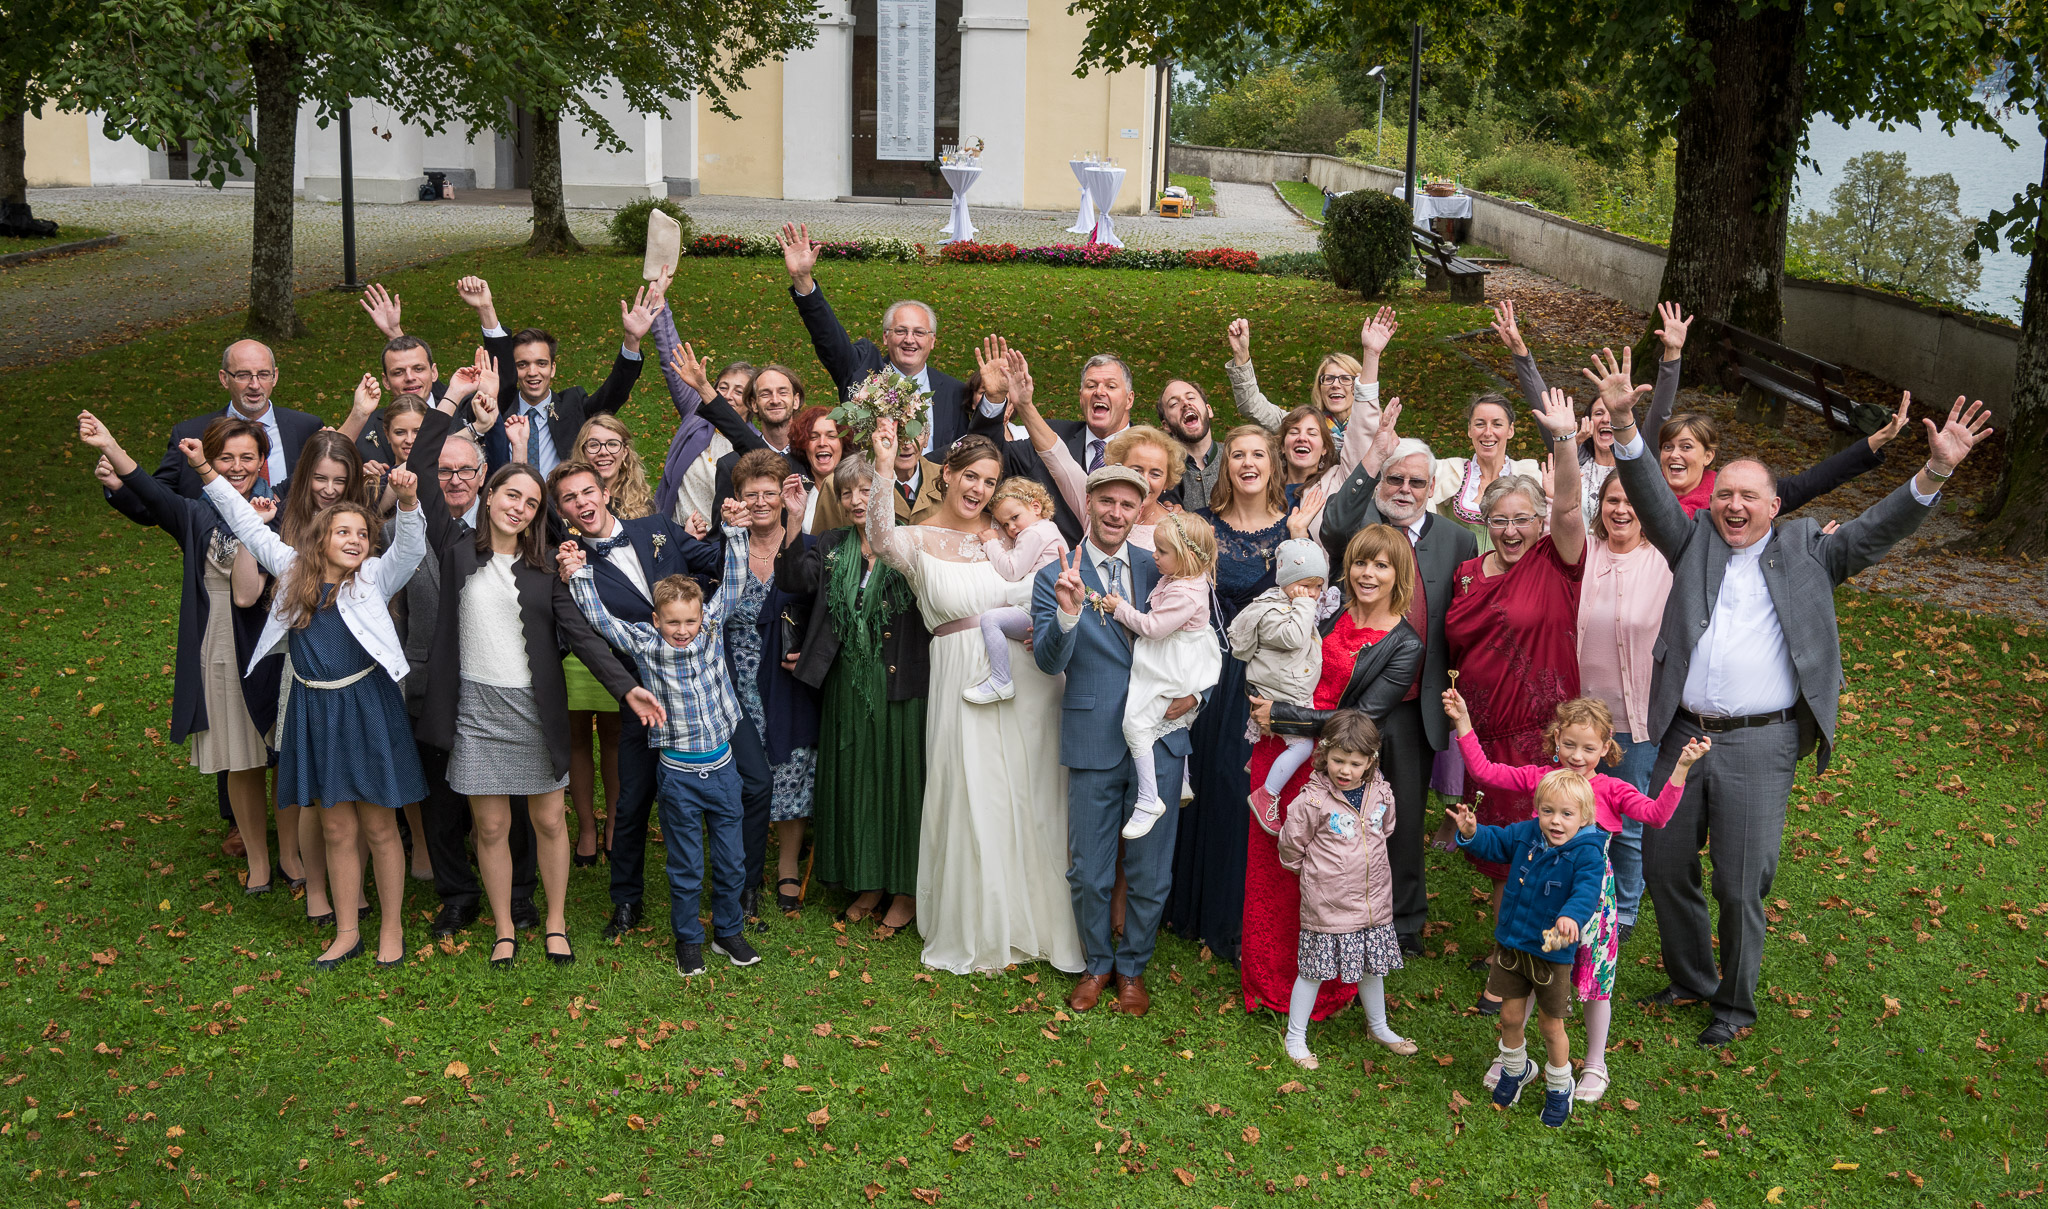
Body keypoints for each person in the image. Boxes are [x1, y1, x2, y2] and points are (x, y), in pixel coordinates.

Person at [1607, 385, 1993, 1047]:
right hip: (1682, 735)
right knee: (1667, 864)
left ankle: (1733, 1004)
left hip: (1761, 742)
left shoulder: (1811, 551)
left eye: (1748, 497)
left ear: (1774, 505)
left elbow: (1878, 529)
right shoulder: (1691, 541)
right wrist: (1621, 424)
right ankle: (1690, 976)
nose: (1733, 505)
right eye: (1724, 494)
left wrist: (1935, 469)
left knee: (1739, 880)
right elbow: (1647, 490)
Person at [412, 412, 665, 969]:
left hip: (533, 710)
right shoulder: (457, 552)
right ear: (488, 491)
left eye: (530, 503)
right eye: (511, 495)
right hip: (475, 710)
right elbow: (425, 465)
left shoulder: (547, 567)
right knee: (492, 824)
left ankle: (554, 921)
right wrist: (452, 401)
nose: (519, 508)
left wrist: (626, 690)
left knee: (551, 821)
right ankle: (504, 928)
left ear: (536, 515)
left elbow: (582, 635)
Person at [194, 443, 430, 970]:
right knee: (336, 826)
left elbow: (409, 551)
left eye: (362, 534)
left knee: (379, 825)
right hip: (314, 709)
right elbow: (246, 525)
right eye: (342, 531)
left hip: (367, 706)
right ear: (320, 538)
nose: (354, 540)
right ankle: (347, 930)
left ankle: (391, 926)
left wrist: (409, 504)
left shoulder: (373, 579)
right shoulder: (294, 570)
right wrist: (207, 471)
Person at [868, 422, 1081, 977]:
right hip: (962, 674)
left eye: (989, 481)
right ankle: (980, 924)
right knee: (974, 791)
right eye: (970, 476)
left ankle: (1036, 923)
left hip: (1031, 676)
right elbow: (879, 538)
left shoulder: (1009, 534)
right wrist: (885, 465)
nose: (980, 490)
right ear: (949, 477)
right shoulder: (915, 539)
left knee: (1033, 796)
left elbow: (1047, 577)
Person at [1446, 692, 1710, 1102]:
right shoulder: (1542, 779)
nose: (1577, 755)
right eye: (1568, 744)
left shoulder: (1612, 789)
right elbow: (1485, 771)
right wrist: (1463, 720)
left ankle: (1595, 1062)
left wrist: (1681, 769)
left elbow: (1657, 815)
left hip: (1591, 901)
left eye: (1589, 747)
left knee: (1593, 980)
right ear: (1556, 741)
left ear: (1606, 747)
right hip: (1539, 897)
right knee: (1531, 969)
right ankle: (1513, 1057)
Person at [82, 412, 284, 897]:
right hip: (220, 643)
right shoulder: (194, 514)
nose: (237, 467)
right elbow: (150, 492)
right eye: (225, 458)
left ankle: (294, 854)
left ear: (262, 464)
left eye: (246, 458)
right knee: (242, 759)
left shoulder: (283, 507)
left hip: (276, 639)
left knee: (287, 753)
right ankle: (259, 860)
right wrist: (109, 443)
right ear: (208, 462)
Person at [1442, 388, 1587, 1012]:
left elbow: (1574, 507)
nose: (1510, 530)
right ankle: (1511, 952)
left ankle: (1535, 958)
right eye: (1500, 519)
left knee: (1543, 846)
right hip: (1485, 734)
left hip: (1540, 732)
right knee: (1505, 852)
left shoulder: (1558, 560)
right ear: (1485, 523)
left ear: (1539, 523)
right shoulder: (1470, 575)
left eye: (1522, 519)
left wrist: (1562, 441)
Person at [1032, 465, 1196, 1013]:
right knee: (1090, 868)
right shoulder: (1057, 573)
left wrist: (1197, 698)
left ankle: (1133, 969)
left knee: (1151, 869)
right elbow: (1048, 660)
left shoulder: (1166, 568)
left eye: (1128, 504)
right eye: (1106, 501)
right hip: (1093, 735)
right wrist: (1068, 614)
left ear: (1139, 511)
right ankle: (1097, 963)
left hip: (1164, 739)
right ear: (1089, 504)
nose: (1115, 513)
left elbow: (1205, 644)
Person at [559, 539, 762, 976]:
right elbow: (602, 622)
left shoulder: (710, 630)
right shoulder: (646, 644)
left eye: (690, 619)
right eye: (673, 622)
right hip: (679, 776)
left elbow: (734, 582)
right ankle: (688, 940)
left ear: (701, 616)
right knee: (686, 865)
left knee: (731, 861)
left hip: (724, 771)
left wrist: (735, 533)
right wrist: (578, 574)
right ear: (656, 620)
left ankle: (728, 931)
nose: (684, 629)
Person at [1245, 524, 1422, 1019]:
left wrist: (1282, 714)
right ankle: (1267, 977)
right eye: (1362, 562)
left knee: (1325, 881)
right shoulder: (1326, 610)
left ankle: (1325, 988)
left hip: (1338, 770)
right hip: (1280, 755)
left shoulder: (1403, 645)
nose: (1368, 573)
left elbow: (1363, 718)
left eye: (1381, 565)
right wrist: (1266, 703)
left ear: (1398, 574)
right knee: (1274, 869)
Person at [1318, 408, 1479, 954]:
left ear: (1432, 488)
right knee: (1343, 808)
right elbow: (1332, 525)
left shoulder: (1458, 540)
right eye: (1395, 478)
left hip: (1414, 708)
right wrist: (1371, 455)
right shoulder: (1361, 527)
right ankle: (1344, 915)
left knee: (1404, 819)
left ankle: (1406, 923)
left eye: (1415, 481)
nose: (1404, 489)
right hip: (1352, 697)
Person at [550, 458, 726, 938]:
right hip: (644, 703)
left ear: (605, 492)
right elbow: (592, 632)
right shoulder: (573, 566)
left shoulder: (655, 528)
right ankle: (626, 900)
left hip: (705, 696)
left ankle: (737, 894)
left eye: (588, 492)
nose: (582, 503)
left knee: (741, 785)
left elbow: (713, 564)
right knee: (630, 804)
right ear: (563, 510)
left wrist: (739, 535)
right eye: (570, 498)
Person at [389, 394, 543, 940]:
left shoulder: (508, 529)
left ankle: (520, 893)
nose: (454, 480)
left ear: (483, 476)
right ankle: (457, 895)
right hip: (429, 678)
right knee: (442, 797)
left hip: (500, 683)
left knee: (512, 794)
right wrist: (449, 399)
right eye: (444, 471)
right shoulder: (413, 524)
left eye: (465, 471)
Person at [778, 455, 930, 938]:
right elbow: (792, 581)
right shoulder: (830, 544)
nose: (855, 500)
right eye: (846, 493)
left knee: (899, 783)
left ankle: (904, 890)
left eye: (865, 490)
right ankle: (867, 883)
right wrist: (795, 520)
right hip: (845, 684)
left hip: (901, 682)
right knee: (856, 778)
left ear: (884, 492)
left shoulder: (912, 541)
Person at [1164, 425, 1294, 965]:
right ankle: (1196, 907)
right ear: (1224, 466)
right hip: (1210, 671)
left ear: (1272, 465)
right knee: (1210, 782)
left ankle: (1245, 916)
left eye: (1258, 454)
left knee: (1252, 787)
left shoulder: (1294, 530)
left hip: (1265, 680)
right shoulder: (1206, 530)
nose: (1247, 462)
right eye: (1237, 454)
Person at [1446, 769, 1608, 1127]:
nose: (1555, 821)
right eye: (1548, 811)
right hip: (1512, 945)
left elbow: (1585, 892)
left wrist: (1570, 917)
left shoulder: (1588, 854)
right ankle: (1516, 1070)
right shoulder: (1526, 834)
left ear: (1584, 817)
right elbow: (1497, 842)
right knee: (1509, 1017)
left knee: (1551, 1027)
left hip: (1552, 954)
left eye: (1567, 814)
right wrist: (1471, 832)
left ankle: (1559, 1086)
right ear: (1537, 810)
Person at [1276, 711, 1417, 1070]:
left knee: (1373, 966)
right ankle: (1295, 1036)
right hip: (1328, 904)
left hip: (1373, 902)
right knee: (1313, 970)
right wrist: (1314, 876)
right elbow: (1292, 845)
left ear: (1370, 761)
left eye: (1355, 763)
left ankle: (1379, 1027)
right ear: (1324, 754)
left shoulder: (1381, 791)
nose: (1345, 770)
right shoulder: (1313, 800)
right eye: (1338, 760)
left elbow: (1386, 828)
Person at [1574, 470, 1673, 941]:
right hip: (1580, 719)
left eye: (1631, 501)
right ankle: (1579, 897)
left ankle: (1626, 912)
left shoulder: (1665, 562)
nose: (1621, 509)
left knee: (1628, 823)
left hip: (1635, 719)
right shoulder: (1586, 554)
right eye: (1612, 499)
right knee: (1574, 814)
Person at [559, 410, 662, 867]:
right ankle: (585, 825)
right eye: (593, 444)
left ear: (625, 450)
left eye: (611, 443)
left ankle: (619, 822)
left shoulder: (644, 502)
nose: (602, 452)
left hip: (628, 642)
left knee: (620, 732)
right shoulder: (564, 499)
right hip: (579, 634)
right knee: (578, 733)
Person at [721, 453, 821, 915]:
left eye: (770, 492)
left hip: (787, 678)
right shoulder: (725, 547)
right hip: (733, 676)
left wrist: (813, 652)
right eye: (751, 493)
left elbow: (825, 610)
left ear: (786, 496)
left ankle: (785, 867)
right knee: (746, 773)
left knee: (793, 766)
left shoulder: (808, 545)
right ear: (738, 498)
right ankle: (744, 866)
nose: (760, 501)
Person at [778, 222, 973, 451]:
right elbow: (827, 337)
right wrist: (803, 280)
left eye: (919, 333)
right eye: (900, 331)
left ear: (932, 341)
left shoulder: (954, 392)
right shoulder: (860, 369)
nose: (909, 340)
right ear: (885, 337)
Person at [1493, 301, 1687, 523]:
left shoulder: (1641, 459)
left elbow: (1662, 411)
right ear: (1587, 422)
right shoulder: (1572, 457)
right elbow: (1544, 406)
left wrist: (1672, 352)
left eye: (1613, 413)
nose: (1606, 419)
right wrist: (1520, 351)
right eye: (1598, 414)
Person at [459, 274, 650, 476]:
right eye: (523, 364)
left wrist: (632, 339)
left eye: (541, 363)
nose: (533, 372)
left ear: (553, 368)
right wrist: (485, 309)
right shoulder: (499, 406)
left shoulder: (573, 405)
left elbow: (614, 392)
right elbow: (501, 378)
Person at [1105, 510, 1220, 841]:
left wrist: (1121, 609)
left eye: (1162, 551)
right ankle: (1174, 781)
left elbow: (1153, 628)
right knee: (1160, 720)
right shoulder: (1183, 578)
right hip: (1177, 653)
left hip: (1172, 660)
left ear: (1184, 557)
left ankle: (1148, 798)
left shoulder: (1185, 593)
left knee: (1135, 724)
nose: (1153, 555)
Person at [122, 338, 324, 509]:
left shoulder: (306, 428)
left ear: (275, 376)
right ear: (224, 378)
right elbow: (156, 503)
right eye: (243, 375)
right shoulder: (191, 434)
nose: (255, 385)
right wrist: (118, 486)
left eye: (263, 374)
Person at [970, 352, 1137, 546]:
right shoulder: (1047, 436)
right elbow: (985, 454)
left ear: (1129, 399)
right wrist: (995, 399)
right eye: (1091, 386)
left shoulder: (1151, 451)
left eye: (1111, 386)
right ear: (1081, 397)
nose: (1099, 392)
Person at [1653, 393, 1910, 518]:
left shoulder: (1732, 496)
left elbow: (1811, 482)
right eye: (1668, 447)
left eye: (1686, 447)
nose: (1675, 454)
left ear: (1708, 456)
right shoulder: (1640, 494)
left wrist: (1874, 442)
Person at [1230, 538, 1329, 825]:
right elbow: (1294, 638)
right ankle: (1267, 793)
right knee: (1302, 746)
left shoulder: (1293, 604)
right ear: (1286, 582)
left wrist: (1301, 602)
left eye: (1317, 587)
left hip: (1282, 682)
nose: (1312, 595)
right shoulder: (1271, 611)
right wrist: (1302, 603)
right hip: (1282, 690)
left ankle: (1263, 766)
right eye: (1305, 586)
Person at [1223, 310, 1395, 448]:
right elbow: (1252, 405)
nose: (1335, 385)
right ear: (1319, 387)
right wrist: (1241, 354)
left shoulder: (1379, 427)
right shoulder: (1302, 426)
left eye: (1344, 379)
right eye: (1328, 379)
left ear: (1357, 386)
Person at [964, 476, 1067, 705]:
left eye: (1015, 518)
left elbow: (1012, 571)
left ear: (1036, 506)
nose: (1011, 528)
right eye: (1005, 524)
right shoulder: (1050, 530)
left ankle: (1001, 680)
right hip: (1047, 610)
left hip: (1036, 607)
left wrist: (991, 543)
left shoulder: (1034, 533)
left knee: (991, 620)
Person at [1428, 392, 1543, 555]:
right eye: (1480, 424)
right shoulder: (1448, 472)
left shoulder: (1530, 476)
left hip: (1513, 576)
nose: (1488, 432)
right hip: (1457, 576)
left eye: (1497, 424)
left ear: (1510, 430)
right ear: (1469, 430)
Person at [1154, 378, 1219, 510]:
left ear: (1209, 410)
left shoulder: (1236, 459)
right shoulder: (1158, 472)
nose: (1185, 403)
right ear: (1166, 425)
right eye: (1173, 404)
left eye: (1191, 397)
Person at [788, 405, 846, 533]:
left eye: (831, 436)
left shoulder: (857, 489)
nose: (822, 443)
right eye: (813, 437)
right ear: (804, 446)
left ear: (843, 443)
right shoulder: (795, 493)